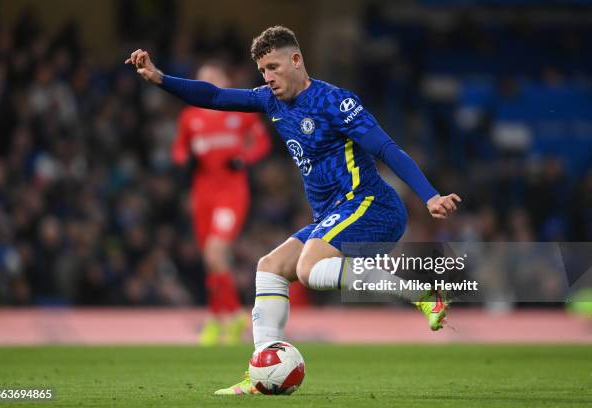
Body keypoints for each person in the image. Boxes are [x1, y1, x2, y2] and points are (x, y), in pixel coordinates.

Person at [126, 25, 461, 395]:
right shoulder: (270, 101)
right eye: (262, 71)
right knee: (270, 268)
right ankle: (261, 374)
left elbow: (386, 148)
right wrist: (159, 78)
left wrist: (429, 195)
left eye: (273, 67)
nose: (267, 78)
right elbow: (216, 96)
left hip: (370, 205)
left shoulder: (335, 101)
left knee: (309, 267)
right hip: (332, 214)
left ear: (296, 60)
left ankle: (422, 295)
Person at [172, 60, 271, 345]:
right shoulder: (190, 117)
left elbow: (262, 143)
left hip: (231, 192)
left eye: (213, 77)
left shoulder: (240, 113)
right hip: (202, 194)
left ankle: (234, 315)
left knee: (216, 253)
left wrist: (244, 158)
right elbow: (179, 148)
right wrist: (182, 160)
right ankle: (216, 318)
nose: (208, 83)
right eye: (202, 79)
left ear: (225, 82)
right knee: (210, 259)